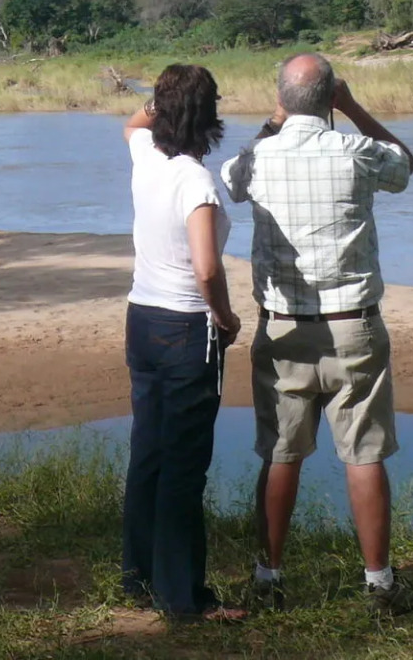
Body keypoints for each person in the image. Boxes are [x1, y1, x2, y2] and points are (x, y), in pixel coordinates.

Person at [222, 53, 413, 615]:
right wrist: (353, 108)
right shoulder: (356, 150)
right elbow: (404, 165)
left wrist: (271, 124)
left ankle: (267, 577)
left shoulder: (259, 156)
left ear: (281, 99)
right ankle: (378, 583)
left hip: (282, 328)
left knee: (281, 454)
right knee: (364, 455)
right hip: (353, 325)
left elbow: (231, 180)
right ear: (331, 96)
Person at [119, 64, 245, 623]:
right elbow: (206, 267)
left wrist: (159, 102)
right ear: (210, 116)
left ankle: (139, 577)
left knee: (148, 451)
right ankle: (184, 599)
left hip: (142, 318)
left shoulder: (147, 155)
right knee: (184, 465)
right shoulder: (196, 180)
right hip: (187, 327)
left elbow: (132, 124)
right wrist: (225, 316)